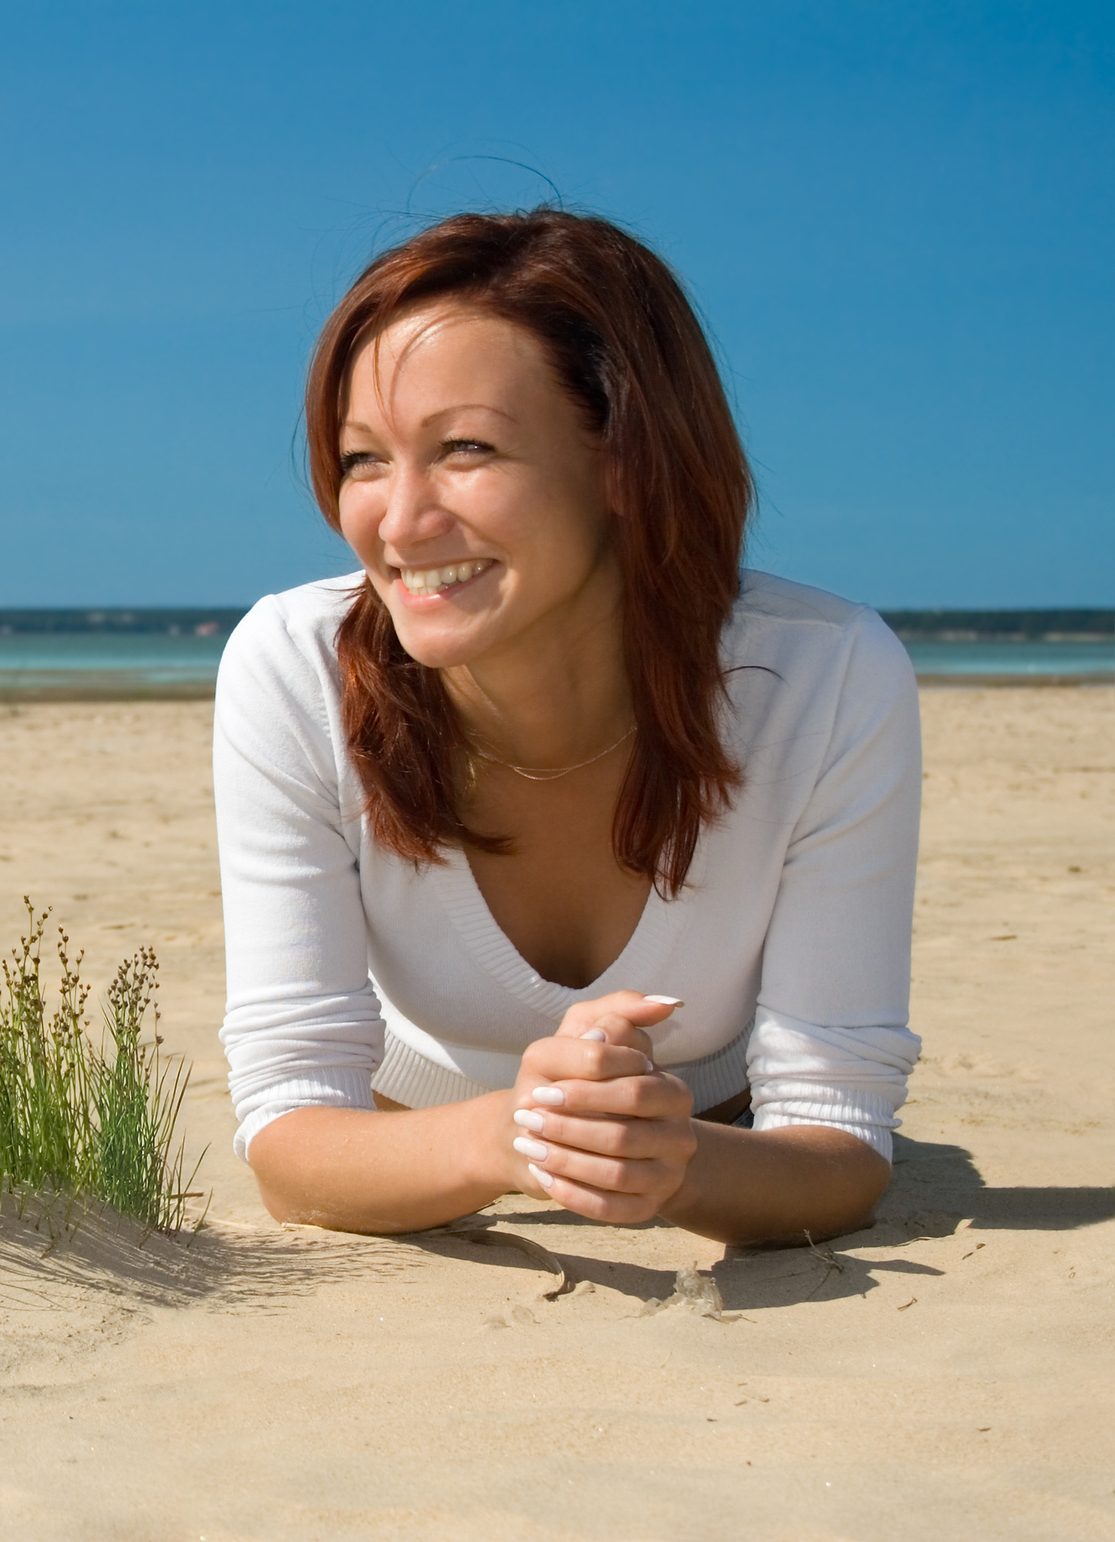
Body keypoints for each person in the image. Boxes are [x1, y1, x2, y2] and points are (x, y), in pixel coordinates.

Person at [216, 208, 919, 1245]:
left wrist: (669, 1164)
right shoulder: (295, 665)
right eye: (363, 459)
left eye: (463, 448)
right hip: (406, 1142)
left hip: (717, 1138)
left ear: (623, 461)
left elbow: (837, 1140)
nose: (399, 522)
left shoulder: (822, 673)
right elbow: (286, 1134)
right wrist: (516, 1137)